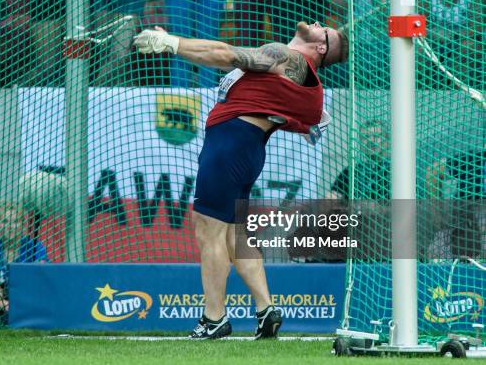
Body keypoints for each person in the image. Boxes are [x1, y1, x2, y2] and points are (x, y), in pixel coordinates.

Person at [133, 21, 349, 339]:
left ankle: (214, 319)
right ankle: (266, 310)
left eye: (324, 30)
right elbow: (307, 120)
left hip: (232, 143)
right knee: (235, 235)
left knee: (210, 231)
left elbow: (223, 53)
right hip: (244, 147)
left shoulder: (286, 56)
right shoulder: (301, 76)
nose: (318, 23)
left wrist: (172, 44)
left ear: (321, 48)